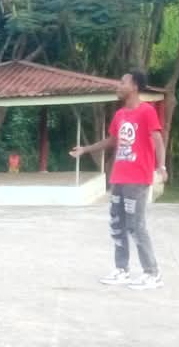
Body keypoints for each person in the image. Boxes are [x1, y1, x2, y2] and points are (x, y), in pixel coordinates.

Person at [71, 70, 167, 290]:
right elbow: (112, 140)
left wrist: (161, 166)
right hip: (119, 178)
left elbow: (158, 140)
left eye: (122, 82)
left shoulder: (147, 111)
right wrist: (86, 149)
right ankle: (122, 270)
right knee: (117, 225)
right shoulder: (120, 115)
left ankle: (152, 273)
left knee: (136, 226)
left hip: (138, 178)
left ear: (134, 86)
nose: (118, 85)